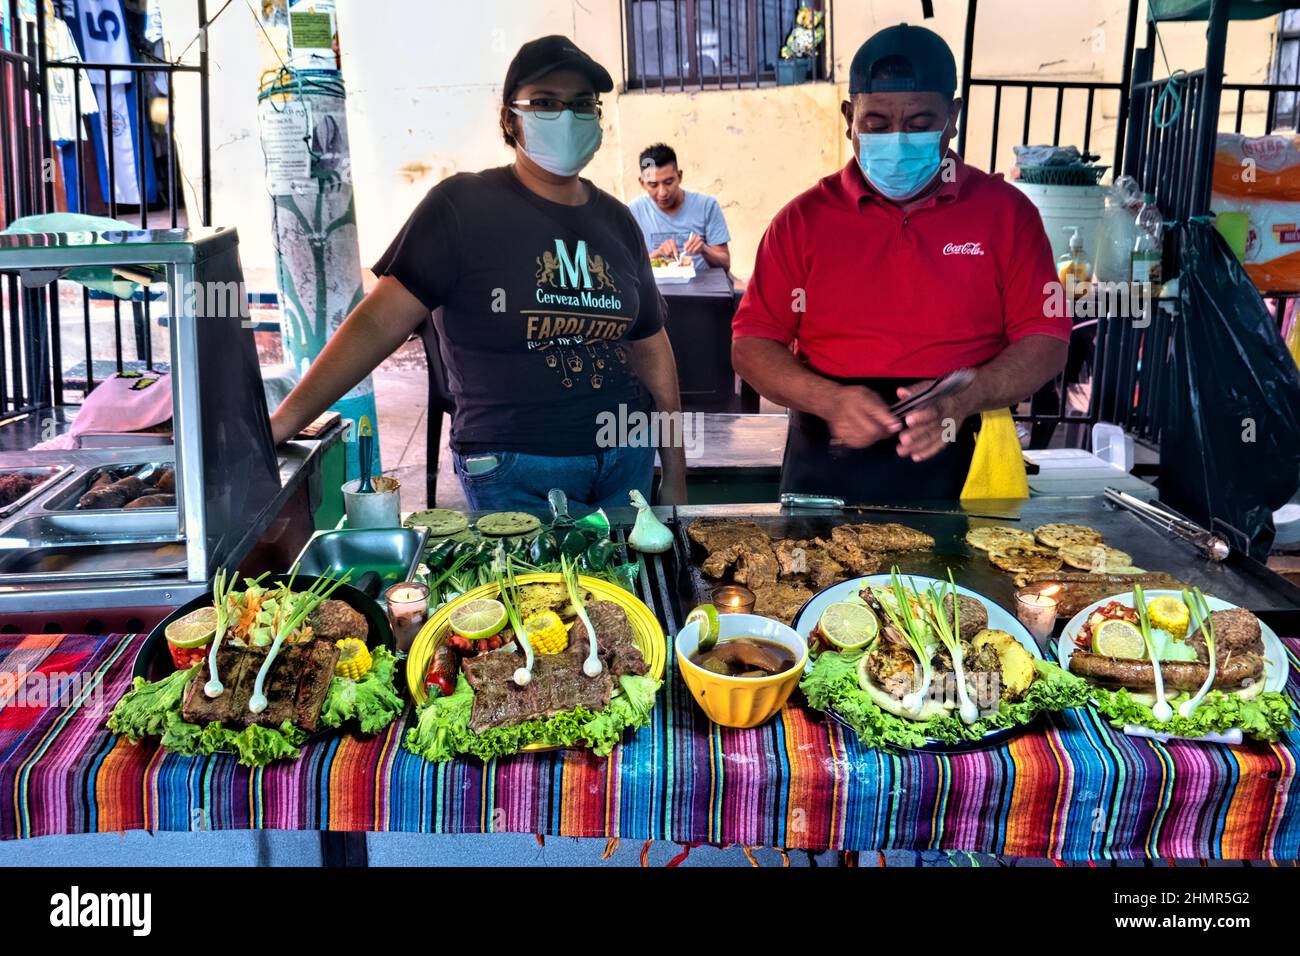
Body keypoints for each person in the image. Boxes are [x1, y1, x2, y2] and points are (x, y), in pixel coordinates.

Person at [269, 35, 688, 511]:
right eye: (546, 103)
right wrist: (285, 421)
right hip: (518, 470)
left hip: (626, 463)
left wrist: (674, 471)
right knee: (529, 588)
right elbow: (377, 323)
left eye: (581, 104)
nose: (567, 118)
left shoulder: (618, 221)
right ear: (510, 118)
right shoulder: (462, 207)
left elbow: (652, 350)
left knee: (627, 587)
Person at [731, 24, 1069, 502]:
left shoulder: (1007, 215)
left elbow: (1047, 339)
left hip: (965, 452)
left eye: (918, 124)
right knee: (813, 574)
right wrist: (830, 401)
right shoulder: (801, 221)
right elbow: (752, 344)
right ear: (848, 117)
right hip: (828, 453)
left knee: (971, 576)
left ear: (953, 117)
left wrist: (966, 397)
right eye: (876, 124)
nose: (897, 139)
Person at [630, 143, 732, 271]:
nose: (662, 192)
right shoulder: (634, 212)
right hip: (658, 289)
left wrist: (704, 249)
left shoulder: (707, 206)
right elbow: (626, 268)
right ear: (642, 183)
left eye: (668, 182)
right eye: (653, 185)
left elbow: (725, 264)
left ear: (679, 176)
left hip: (705, 288)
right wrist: (657, 255)